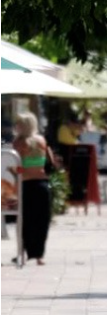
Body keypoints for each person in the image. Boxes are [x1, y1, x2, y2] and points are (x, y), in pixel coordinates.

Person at [12, 112, 55, 265]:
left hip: (25, 185)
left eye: (18, 124)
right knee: (42, 221)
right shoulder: (42, 141)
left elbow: (15, 166)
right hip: (42, 184)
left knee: (24, 221)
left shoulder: (18, 143)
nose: (15, 126)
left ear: (23, 126)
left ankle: (22, 252)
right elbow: (50, 163)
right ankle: (39, 255)